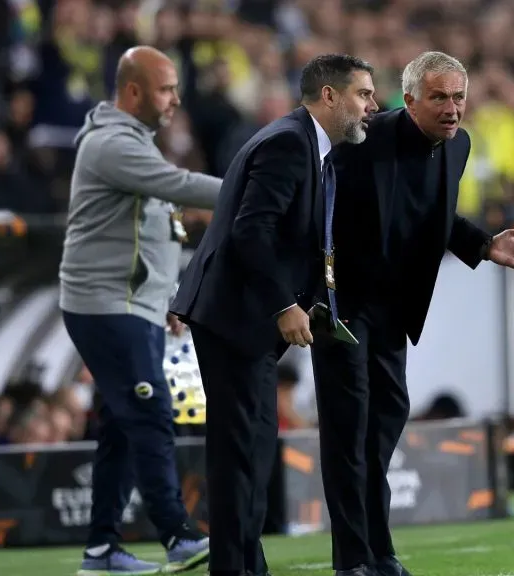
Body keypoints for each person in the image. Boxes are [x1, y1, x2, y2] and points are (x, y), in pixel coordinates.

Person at [314, 50, 514, 576]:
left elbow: (433, 214)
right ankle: (355, 559)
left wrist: (483, 244)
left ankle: (377, 548)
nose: (452, 108)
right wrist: (310, 293)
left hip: (393, 311)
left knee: (384, 424)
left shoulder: (457, 146)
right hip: (343, 304)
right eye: (439, 97)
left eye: (459, 97)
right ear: (411, 98)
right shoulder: (361, 139)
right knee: (349, 430)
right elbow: (317, 209)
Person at [170, 54, 378, 576]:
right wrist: (285, 303)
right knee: (243, 454)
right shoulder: (288, 143)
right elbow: (251, 231)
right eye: (363, 94)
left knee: (250, 452)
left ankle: (242, 566)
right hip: (235, 318)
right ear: (328, 96)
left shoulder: (306, 144)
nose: (372, 105)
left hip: (241, 320)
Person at [59, 45, 219, 576]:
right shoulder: (112, 145)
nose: (176, 99)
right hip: (107, 308)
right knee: (150, 415)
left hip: (133, 306)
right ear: (132, 91)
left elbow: (153, 231)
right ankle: (178, 535)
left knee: (123, 426)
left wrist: (163, 296)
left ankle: (101, 550)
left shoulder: (133, 144)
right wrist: (257, 187)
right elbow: (179, 187)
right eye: (166, 88)